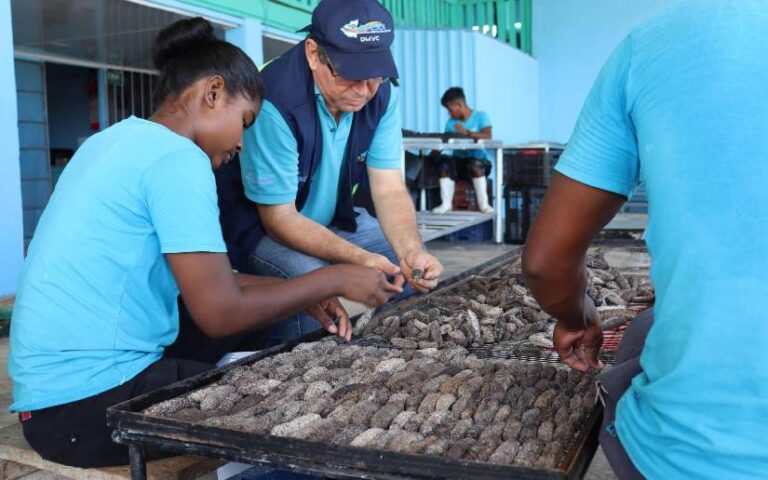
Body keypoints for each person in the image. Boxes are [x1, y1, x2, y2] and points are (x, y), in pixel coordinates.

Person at [8, 17, 398, 469]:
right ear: (213, 93)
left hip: (52, 400)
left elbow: (216, 284)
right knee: (301, 398)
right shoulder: (179, 160)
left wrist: (309, 290)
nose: (240, 143)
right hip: (86, 410)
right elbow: (219, 313)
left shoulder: (113, 140)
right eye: (244, 122)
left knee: (274, 332)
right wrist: (335, 277)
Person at [521, 1, 768, 479]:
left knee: (643, 336)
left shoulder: (650, 44)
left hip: (695, 455)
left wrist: (578, 317)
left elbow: (545, 263)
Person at [216, 0, 443, 344]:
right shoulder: (274, 99)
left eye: (375, 75)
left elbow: (389, 188)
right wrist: (357, 261)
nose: (364, 91)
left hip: (330, 218)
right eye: (351, 75)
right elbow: (279, 219)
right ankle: (292, 366)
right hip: (262, 227)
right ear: (313, 53)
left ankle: (399, 351)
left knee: (404, 260)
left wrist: (411, 251)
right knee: (308, 279)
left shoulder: (381, 95)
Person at [430, 87, 494, 214]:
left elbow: (488, 135)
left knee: (474, 164)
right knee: (443, 163)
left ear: (459, 105)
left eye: (450, 109)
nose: (449, 113)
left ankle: (484, 205)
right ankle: (446, 204)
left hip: (479, 163)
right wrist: (433, 154)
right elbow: (445, 141)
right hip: (459, 163)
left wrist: (466, 133)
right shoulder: (451, 123)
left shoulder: (481, 116)